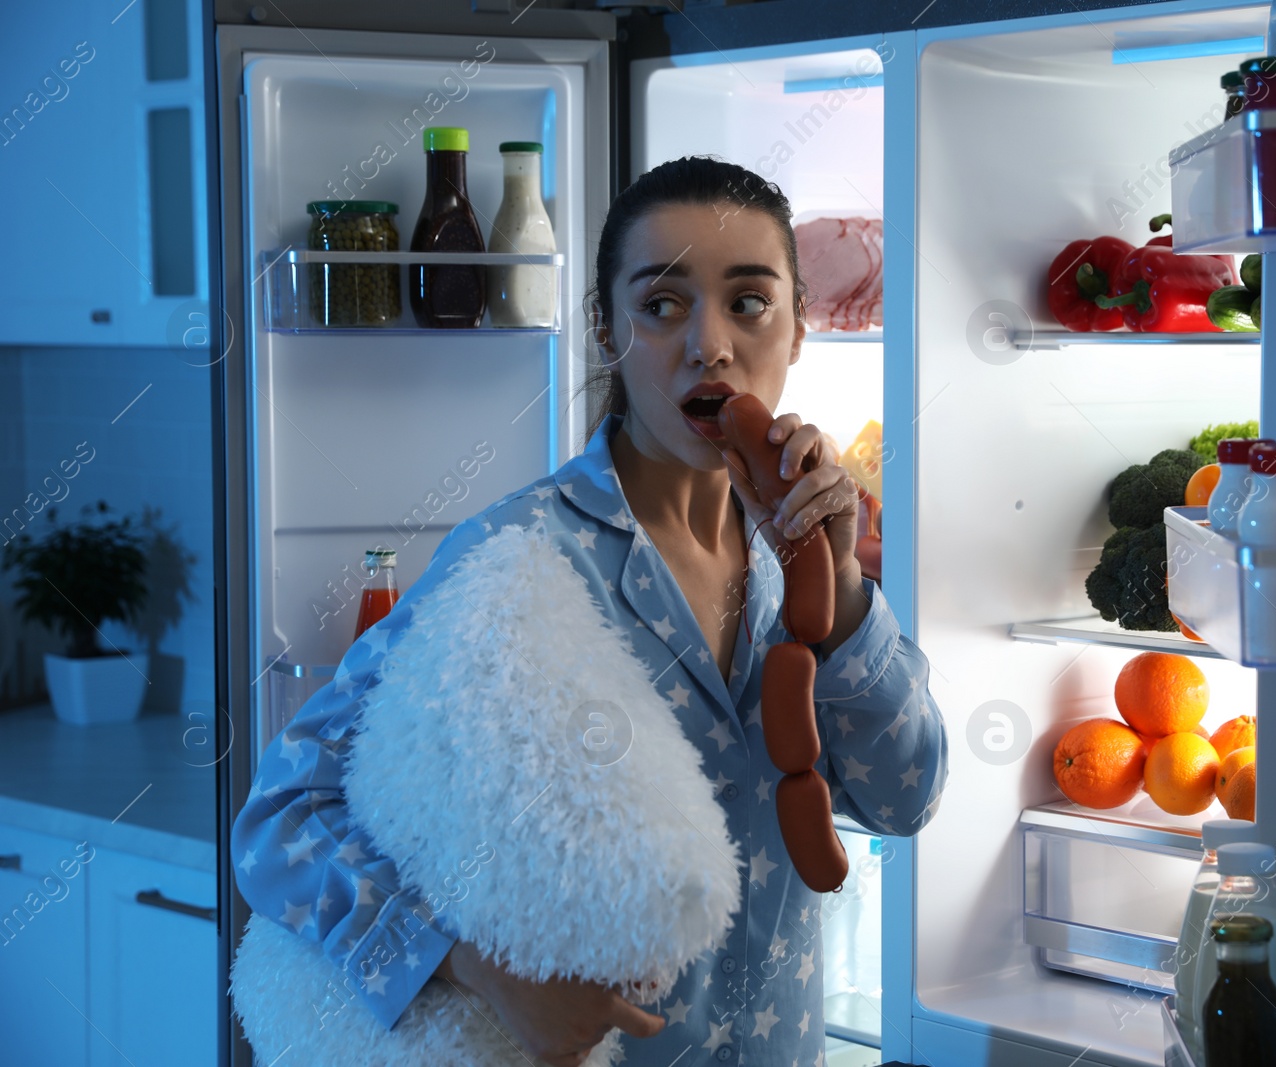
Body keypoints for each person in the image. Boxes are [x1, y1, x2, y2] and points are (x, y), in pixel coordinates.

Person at [231, 155, 949, 1067]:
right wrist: (482, 971)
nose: (710, 345)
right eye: (661, 305)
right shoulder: (520, 557)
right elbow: (279, 819)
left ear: (801, 328)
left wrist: (841, 588)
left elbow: (907, 795)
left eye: (750, 302)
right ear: (606, 329)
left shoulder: (802, 556)